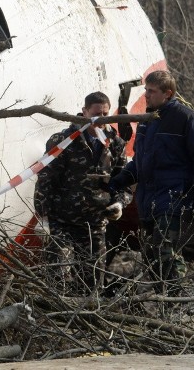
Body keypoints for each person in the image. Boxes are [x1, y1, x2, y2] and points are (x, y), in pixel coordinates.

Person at [110, 70, 194, 294]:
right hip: (149, 200)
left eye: (151, 91)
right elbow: (141, 162)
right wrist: (120, 180)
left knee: (164, 250)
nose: (146, 95)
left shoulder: (186, 118)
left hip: (175, 198)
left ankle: (176, 305)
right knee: (151, 254)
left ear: (167, 94)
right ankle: (166, 303)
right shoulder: (148, 121)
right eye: (146, 90)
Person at [34, 92, 129, 294]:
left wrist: (120, 203)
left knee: (92, 282)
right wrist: (42, 217)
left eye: (105, 115)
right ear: (84, 112)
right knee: (58, 277)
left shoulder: (117, 144)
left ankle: (84, 320)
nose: (100, 121)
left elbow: (124, 182)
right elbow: (45, 180)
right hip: (62, 221)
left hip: (94, 224)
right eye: (95, 115)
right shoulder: (63, 141)